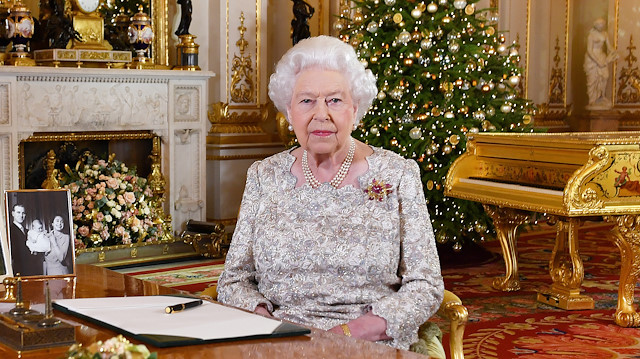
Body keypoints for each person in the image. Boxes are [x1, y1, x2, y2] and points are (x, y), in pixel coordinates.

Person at [217, 35, 444, 350]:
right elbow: (233, 281)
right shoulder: (263, 175)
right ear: (289, 110)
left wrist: (348, 334)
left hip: (370, 343)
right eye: (307, 100)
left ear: (355, 107)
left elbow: (426, 286)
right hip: (279, 341)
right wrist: (265, 324)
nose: (320, 114)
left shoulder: (398, 174)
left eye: (334, 100)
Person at [584, 18, 618, 109]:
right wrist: (598, 62)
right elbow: (589, 50)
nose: (601, 26)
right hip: (592, 59)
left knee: (605, 76)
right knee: (592, 80)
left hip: (601, 56)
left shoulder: (605, 34)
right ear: (595, 25)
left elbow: (609, 47)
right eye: (599, 24)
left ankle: (601, 96)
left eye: (602, 24)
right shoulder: (591, 35)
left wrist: (614, 51)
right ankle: (592, 100)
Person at [9, 204, 44, 276]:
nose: (21, 215)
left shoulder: (28, 231)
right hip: (19, 270)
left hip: (31, 269)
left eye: (23, 213)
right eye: (18, 212)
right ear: (13, 214)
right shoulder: (10, 231)